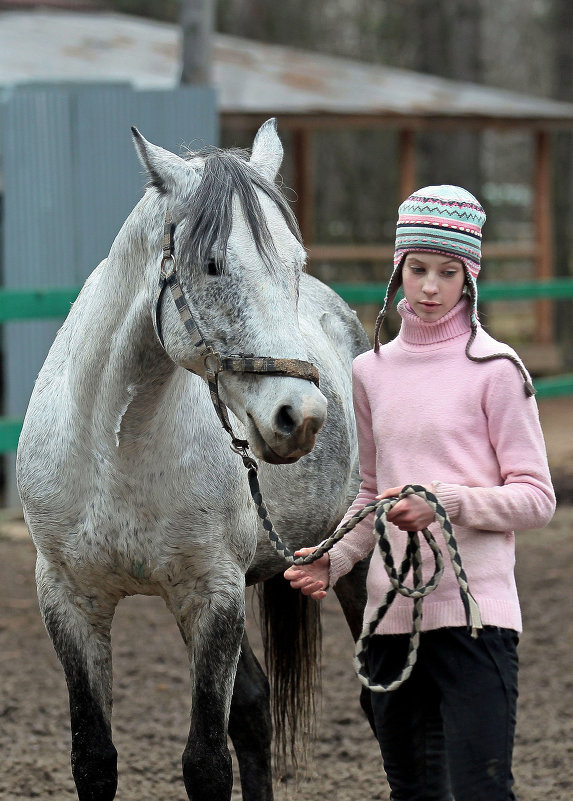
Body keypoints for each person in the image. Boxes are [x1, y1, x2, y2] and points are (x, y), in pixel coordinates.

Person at [284, 185, 556, 801]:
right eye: (418, 269)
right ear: (399, 269)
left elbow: (537, 498)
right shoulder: (369, 372)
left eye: (447, 272)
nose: (430, 286)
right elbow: (370, 493)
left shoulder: (497, 369)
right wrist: (336, 557)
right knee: (411, 791)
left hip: (476, 622)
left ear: (470, 277)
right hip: (391, 623)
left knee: (485, 791)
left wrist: (446, 501)